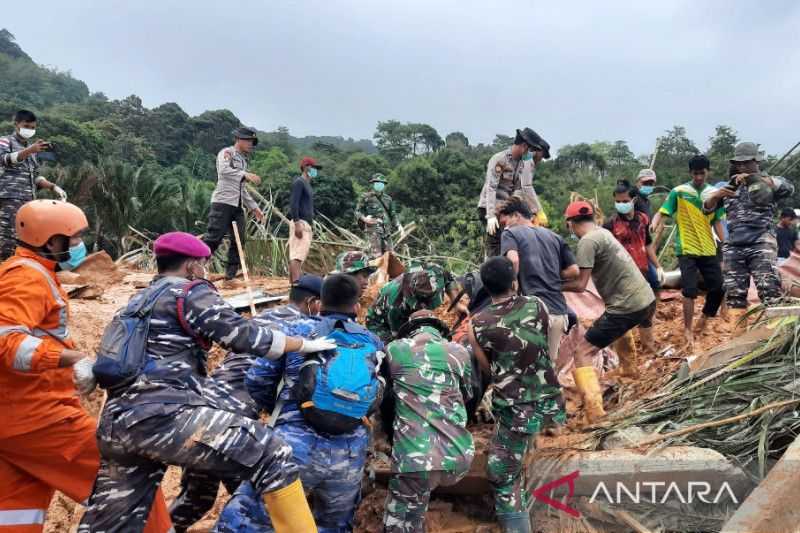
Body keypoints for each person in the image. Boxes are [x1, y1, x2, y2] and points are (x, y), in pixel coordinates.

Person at [79, 232, 336, 532]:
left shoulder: (137, 300)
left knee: (113, 521)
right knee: (272, 452)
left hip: (117, 423)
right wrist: (303, 345)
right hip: (163, 415)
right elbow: (243, 336)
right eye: (203, 264)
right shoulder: (189, 291)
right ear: (191, 266)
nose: (205, 270)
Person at [0, 200, 171, 533]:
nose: (79, 245)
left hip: (14, 420)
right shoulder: (27, 279)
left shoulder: (26, 272)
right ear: (51, 241)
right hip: (39, 416)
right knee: (132, 477)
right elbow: (6, 341)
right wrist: (71, 359)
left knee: (16, 510)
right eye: (73, 238)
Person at [219, 274, 383, 532]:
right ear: (357, 308)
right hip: (349, 452)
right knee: (333, 525)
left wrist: (280, 407)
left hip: (294, 446)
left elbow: (257, 379)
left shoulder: (297, 332)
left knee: (249, 518)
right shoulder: (373, 342)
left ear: (319, 303)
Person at [169, 274, 323, 532]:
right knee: (249, 503)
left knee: (195, 500)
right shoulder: (304, 329)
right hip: (233, 419)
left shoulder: (262, 319)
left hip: (200, 407)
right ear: (313, 302)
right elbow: (265, 381)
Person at [468, 257, 565, 533]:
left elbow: (487, 368)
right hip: (550, 400)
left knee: (500, 473)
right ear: (514, 282)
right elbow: (543, 345)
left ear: (485, 289)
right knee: (522, 445)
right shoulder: (537, 305)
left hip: (517, 409)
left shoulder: (478, 324)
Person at [562, 201, 656, 422]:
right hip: (645, 298)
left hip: (627, 305)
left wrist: (550, 286)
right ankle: (629, 370)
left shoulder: (587, 241)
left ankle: (595, 413)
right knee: (619, 325)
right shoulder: (602, 233)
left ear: (569, 224)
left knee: (582, 352)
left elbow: (580, 285)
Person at [383, 311, 474, 533]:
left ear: (410, 330)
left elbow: (385, 396)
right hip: (458, 455)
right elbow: (468, 396)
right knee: (419, 500)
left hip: (416, 458)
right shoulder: (459, 352)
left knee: (399, 521)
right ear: (440, 331)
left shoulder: (396, 349)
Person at [704, 142, 795, 320]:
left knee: (769, 290)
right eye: (739, 163)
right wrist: (716, 195)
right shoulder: (731, 185)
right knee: (734, 297)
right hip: (734, 245)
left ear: (756, 161)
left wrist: (757, 179)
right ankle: (739, 341)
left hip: (760, 241)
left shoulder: (768, 182)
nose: (742, 166)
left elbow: (788, 188)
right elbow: (706, 209)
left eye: (746, 162)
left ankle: (773, 339)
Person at [651, 155, 726, 349]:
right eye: (695, 173)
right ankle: (687, 329)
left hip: (709, 248)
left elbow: (717, 220)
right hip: (686, 248)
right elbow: (663, 211)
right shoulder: (679, 192)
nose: (699, 177)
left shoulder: (715, 194)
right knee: (690, 290)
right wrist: (655, 221)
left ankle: (705, 317)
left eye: (702, 173)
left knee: (718, 287)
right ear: (690, 173)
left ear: (708, 172)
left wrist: (725, 243)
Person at [497, 196, 579, 359]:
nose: (504, 227)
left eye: (504, 222)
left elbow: (513, 259)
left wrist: (512, 290)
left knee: (526, 363)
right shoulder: (554, 237)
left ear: (516, 216)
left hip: (531, 311)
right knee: (549, 365)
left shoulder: (510, 233)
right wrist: (551, 274)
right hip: (558, 312)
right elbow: (574, 270)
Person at [0, 110, 66, 260]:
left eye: (32, 127)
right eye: (26, 126)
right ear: (16, 124)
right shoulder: (5, 141)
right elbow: (3, 159)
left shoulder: (33, 149)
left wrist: (53, 187)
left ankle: (16, 272)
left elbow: (34, 177)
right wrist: (29, 150)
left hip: (28, 200)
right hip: (9, 196)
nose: (29, 130)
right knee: (7, 237)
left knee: (24, 239)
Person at [603, 180, 661, 351]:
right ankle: (617, 352)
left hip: (641, 270)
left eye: (624, 201)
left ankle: (647, 346)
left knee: (646, 308)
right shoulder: (610, 224)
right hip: (621, 275)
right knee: (621, 312)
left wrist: (658, 266)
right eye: (618, 202)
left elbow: (648, 244)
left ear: (634, 200)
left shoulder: (643, 219)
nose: (621, 204)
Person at [203, 127, 265, 281]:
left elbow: (241, 189)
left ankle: (230, 275)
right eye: (248, 141)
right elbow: (223, 171)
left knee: (239, 240)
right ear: (239, 139)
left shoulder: (243, 161)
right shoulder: (227, 153)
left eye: (252, 142)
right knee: (214, 237)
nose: (251, 144)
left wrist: (254, 207)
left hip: (236, 206)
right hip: (222, 202)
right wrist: (246, 174)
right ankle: (195, 265)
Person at [478, 128, 549, 257]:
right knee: (496, 243)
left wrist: (516, 209)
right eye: (530, 150)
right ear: (523, 146)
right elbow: (491, 187)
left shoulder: (521, 163)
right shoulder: (500, 159)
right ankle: (493, 272)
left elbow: (518, 189)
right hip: (490, 206)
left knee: (508, 241)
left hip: (505, 207)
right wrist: (491, 215)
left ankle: (503, 270)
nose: (531, 154)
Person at [366, 262, 458, 343]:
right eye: (421, 303)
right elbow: (399, 337)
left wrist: (457, 302)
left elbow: (449, 279)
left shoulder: (436, 272)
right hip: (378, 323)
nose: (424, 306)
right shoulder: (396, 304)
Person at [355, 173, 402, 258]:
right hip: (373, 229)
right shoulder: (366, 197)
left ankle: (386, 271)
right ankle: (375, 270)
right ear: (373, 184)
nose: (379, 185)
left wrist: (399, 225)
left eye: (381, 183)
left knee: (390, 255)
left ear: (384, 185)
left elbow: (393, 214)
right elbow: (358, 211)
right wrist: (365, 219)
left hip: (386, 230)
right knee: (377, 254)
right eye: (377, 183)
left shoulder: (388, 199)